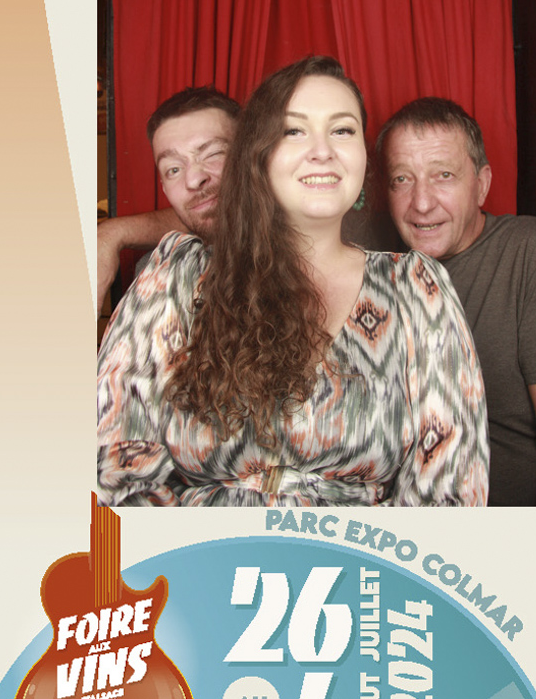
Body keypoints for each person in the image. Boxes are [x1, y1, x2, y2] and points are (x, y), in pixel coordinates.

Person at [97, 58, 489, 507]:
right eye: (294, 130)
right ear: (258, 156)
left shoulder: (416, 287)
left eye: (342, 130)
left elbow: (450, 490)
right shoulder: (175, 278)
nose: (322, 151)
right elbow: (115, 470)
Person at [378, 98, 536, 507]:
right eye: (402, 179)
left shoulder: (530, 251)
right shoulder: (375, 269)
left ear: (482, 184)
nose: (421, 202)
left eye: (443, 175)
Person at [96, 87, 241, 310]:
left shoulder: (298, 248)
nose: (193, 180)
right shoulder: (160, 275)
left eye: (213, 154)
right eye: (173, 169)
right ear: (164, 188)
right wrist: (111, 233)